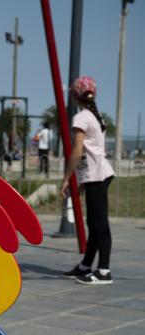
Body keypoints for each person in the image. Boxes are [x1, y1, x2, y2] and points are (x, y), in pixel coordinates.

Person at [61, 76, 115, 285]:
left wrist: (67, 177)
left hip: (97, 175)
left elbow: (77, 151)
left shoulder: (82, 117)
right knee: (94, 222)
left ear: (75, 96)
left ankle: (104, 271)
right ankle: (85, 266)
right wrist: (82, 179)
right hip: (97, 174)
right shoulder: (95, 115)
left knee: (99, 223)